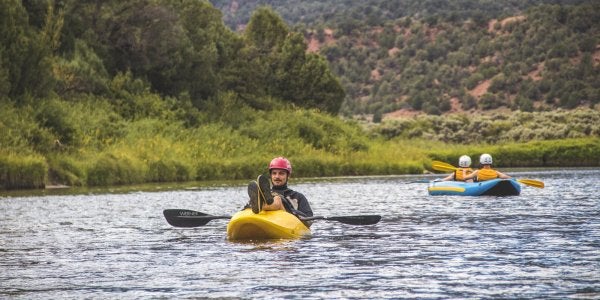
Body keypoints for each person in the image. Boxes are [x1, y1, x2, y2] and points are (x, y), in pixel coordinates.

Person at [246, 157, 313, 218]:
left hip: (288, 218)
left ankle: (262, 206)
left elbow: (309, 219)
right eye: (274, 173)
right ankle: (262, 204)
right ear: (271, 175)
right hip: (266, 218)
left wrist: (291, 211)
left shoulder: (298, 196)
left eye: (281, 173)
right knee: (261, 198)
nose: (277, 176)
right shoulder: (264, 193)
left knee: (277, 199)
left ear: (288, 176)